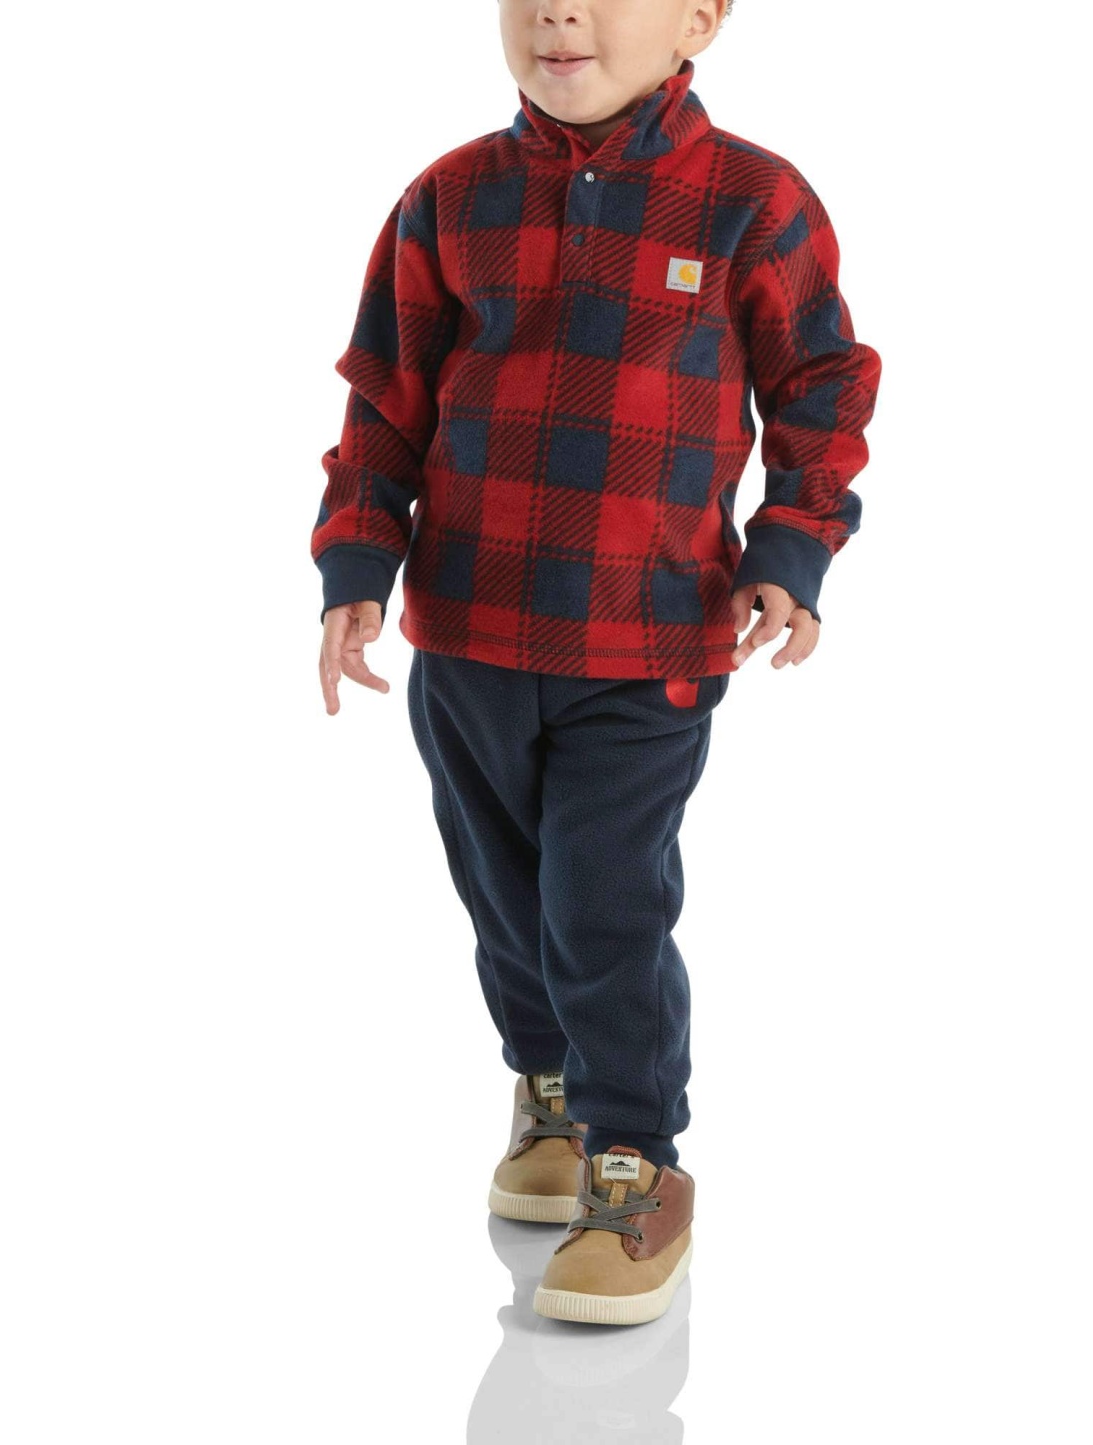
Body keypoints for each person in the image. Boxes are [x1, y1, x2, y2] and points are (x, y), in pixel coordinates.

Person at [311, 0, 881, 1326]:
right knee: (507, 898)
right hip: (468, 638)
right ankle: (552, 1089)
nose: (559, 12)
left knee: (601, 903)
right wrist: (356, 566)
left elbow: (820, 386)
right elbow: (385, 401)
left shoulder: (751, 202)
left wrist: (792, 547)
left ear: (699, 20)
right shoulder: (448, 199)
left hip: (645, 643)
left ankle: (635, 1154)